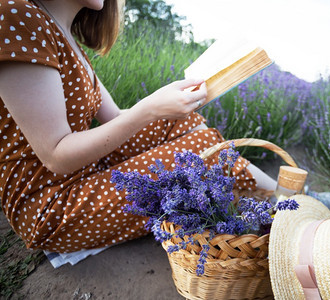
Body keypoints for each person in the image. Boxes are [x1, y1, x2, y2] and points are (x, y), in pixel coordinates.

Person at [0, 0, 276, 253]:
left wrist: (169, 103)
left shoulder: (67, 38)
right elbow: (55, 155)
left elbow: (114, 117)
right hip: (51, 207)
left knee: (184, 121)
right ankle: (283, 199)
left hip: (87, 171)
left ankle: (245, 202)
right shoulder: (16, 15)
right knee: (199, 153)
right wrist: (149, 108)